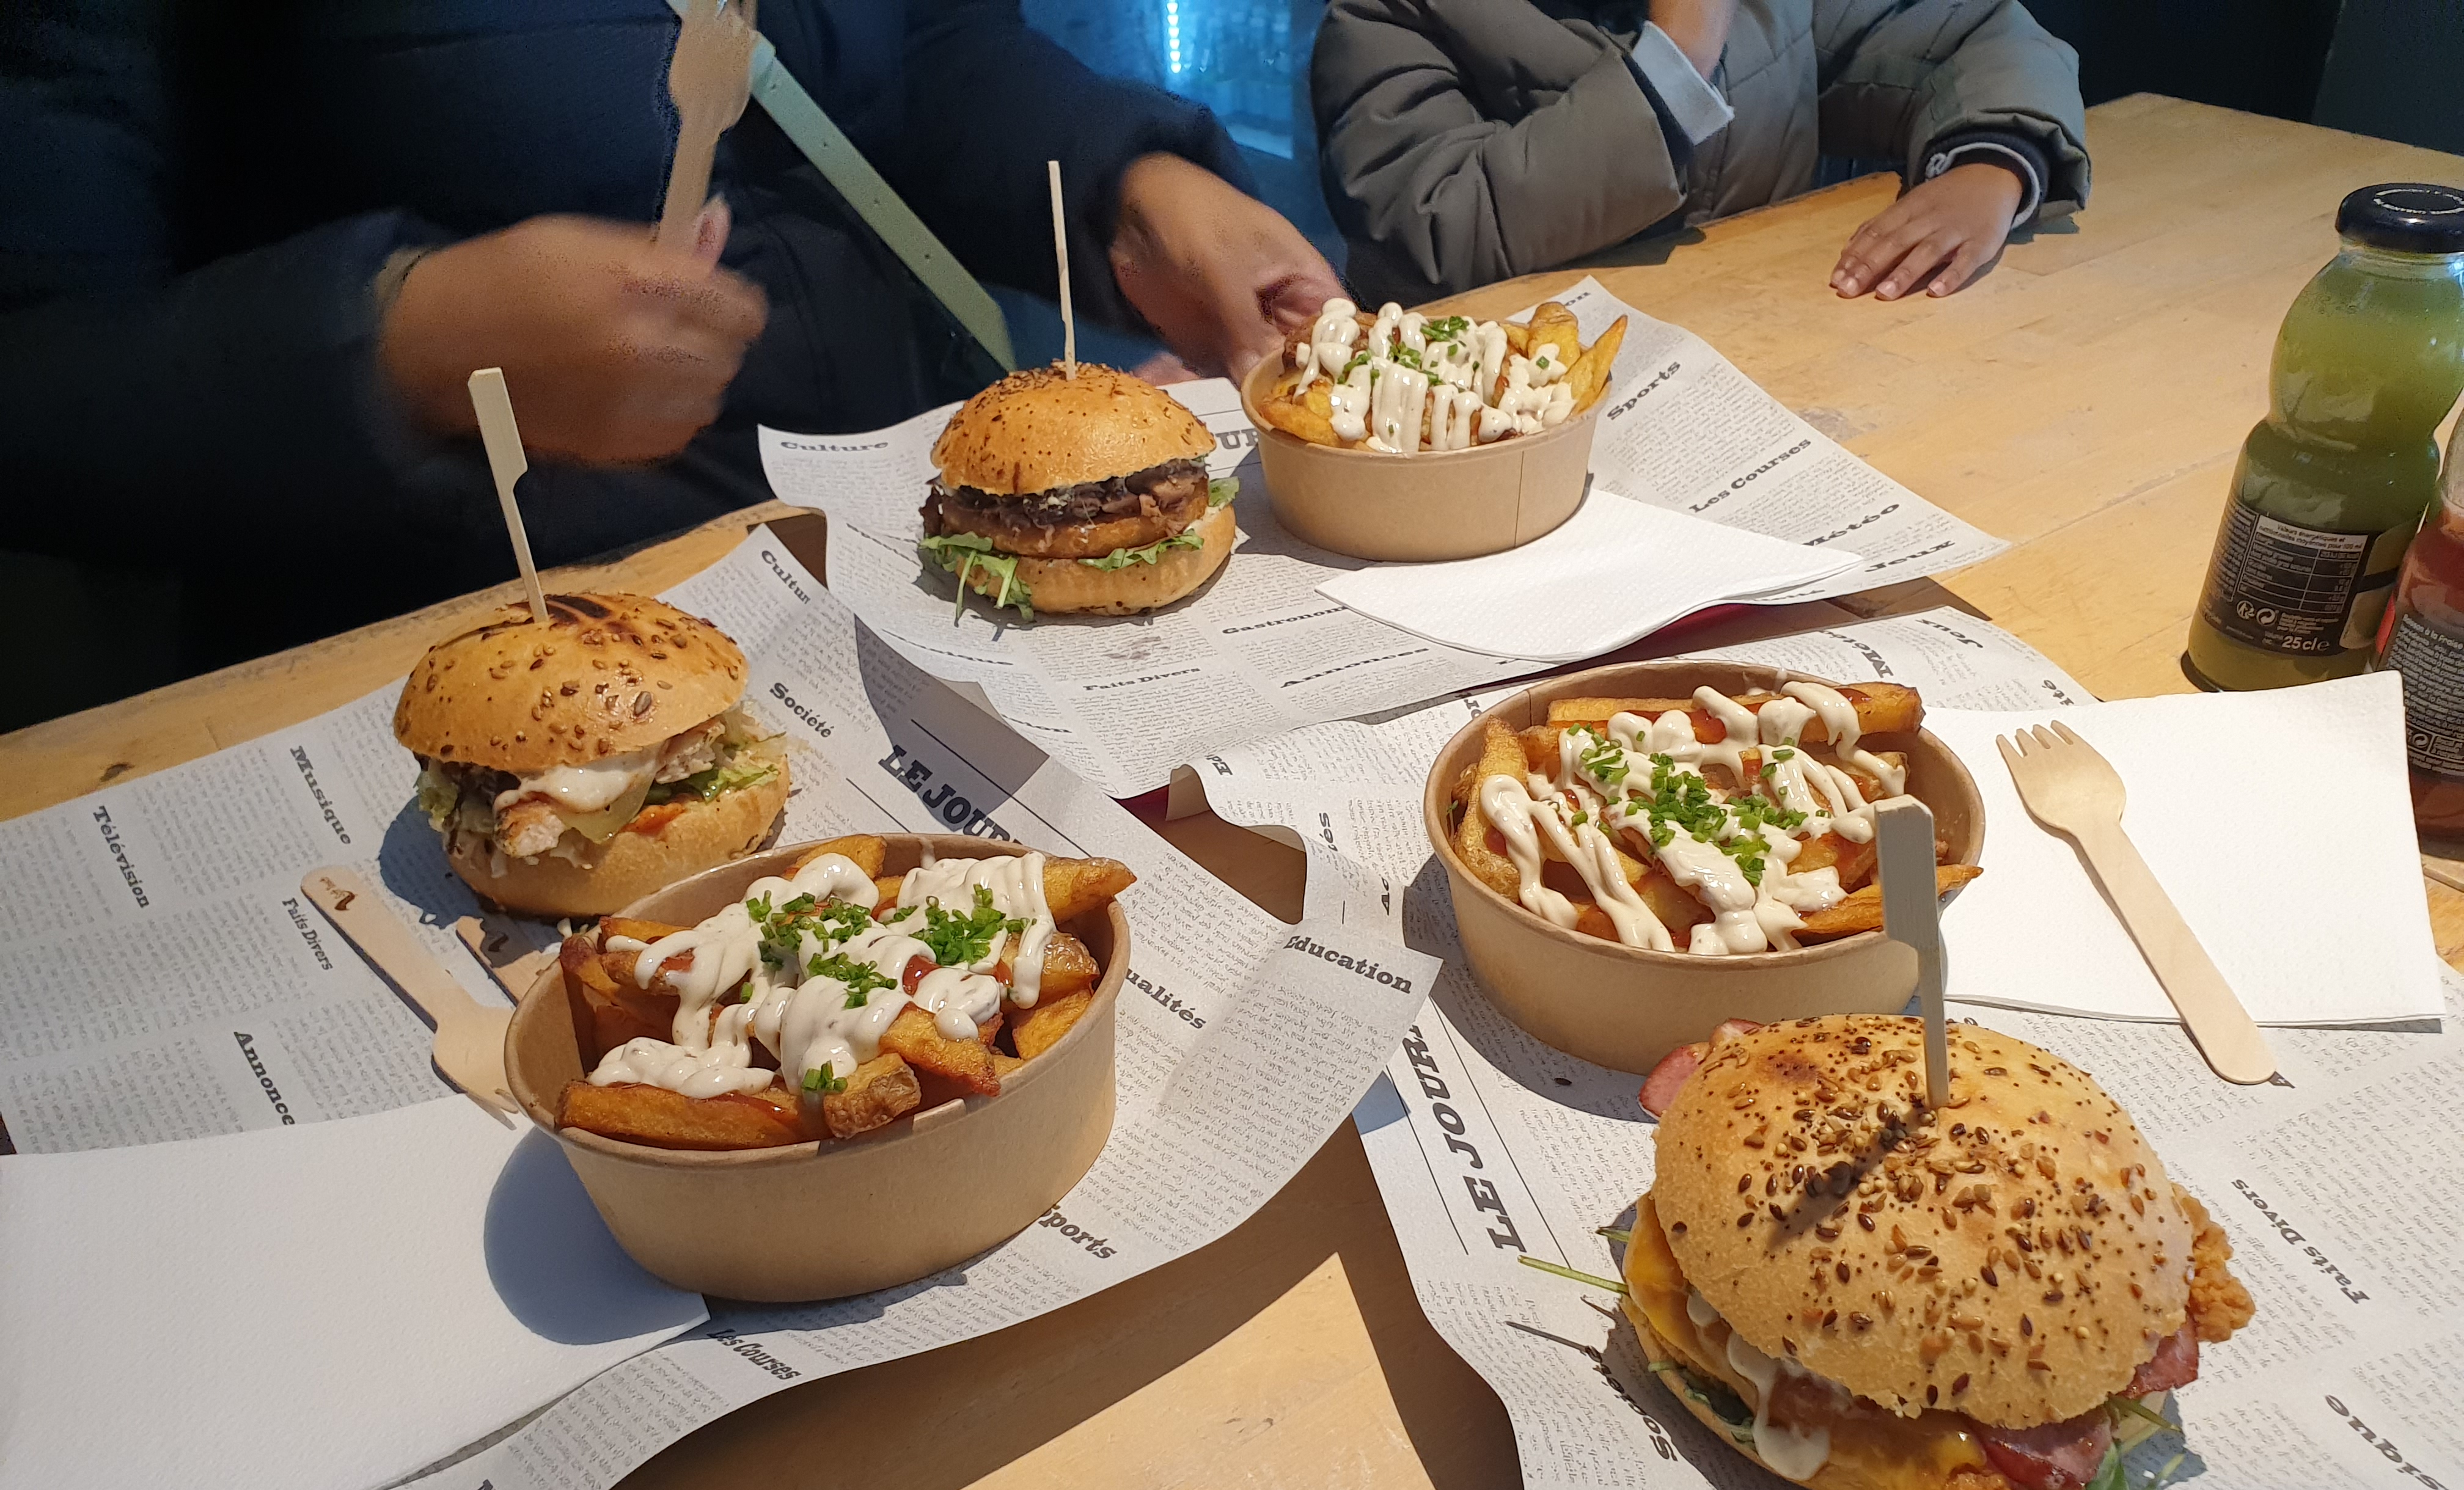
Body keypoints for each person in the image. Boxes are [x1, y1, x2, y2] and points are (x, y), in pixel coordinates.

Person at [0, 2, 1340, 671]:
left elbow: (919, 48)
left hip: (913, 564)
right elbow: (43, 364)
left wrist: (1127, 180)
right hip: (489, 620)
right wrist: (404, 346)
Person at [1311, 0, 2089, 309]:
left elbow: (1963, 34)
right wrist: (1676, 61)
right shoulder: (1389, 14)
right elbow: (1433, 235)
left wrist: (1996, 161)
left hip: (1766, 360)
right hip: (1502, 423)